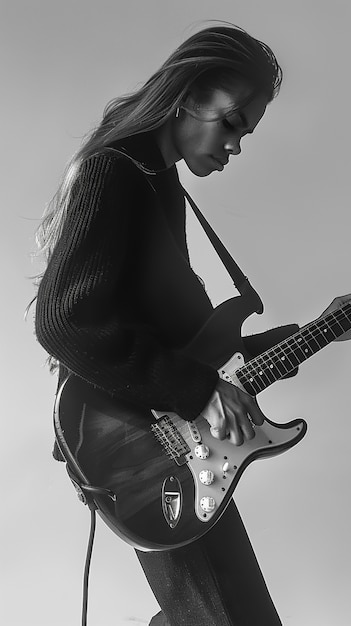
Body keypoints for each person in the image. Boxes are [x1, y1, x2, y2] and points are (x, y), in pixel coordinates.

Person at [33, 22, 351, 626]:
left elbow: (202, 352)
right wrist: (200, 392)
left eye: (245, 133)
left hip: (180, 452)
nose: (235, 145)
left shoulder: (159, 185)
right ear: (188, 94)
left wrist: (322, 328)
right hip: (138, 456)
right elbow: (63, 321)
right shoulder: (116, 173)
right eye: (231, 123)